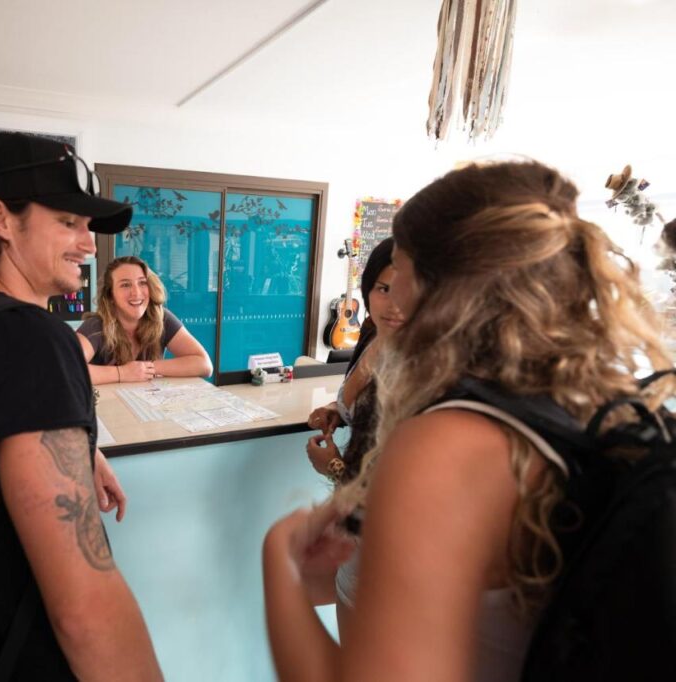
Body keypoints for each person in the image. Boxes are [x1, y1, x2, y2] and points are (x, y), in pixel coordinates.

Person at [263, 160, 674, 681]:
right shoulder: (598, 397)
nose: (392, 293)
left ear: (439, 286)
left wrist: (279, 561)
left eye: (401, 267)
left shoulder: (447, 445)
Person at [0, 132, 163, 681]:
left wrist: (78, 447)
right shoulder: (31, 339)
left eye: (88, 226)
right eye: (68, 222)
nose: (88, 242)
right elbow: (84, 606)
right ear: (1, 219)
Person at [305, 238, 402, 482]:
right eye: (384, 289)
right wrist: (338, 408)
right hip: (347, 509)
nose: (395, 306)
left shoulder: (425, 366)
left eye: (411, 291)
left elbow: (406, 486)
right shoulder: (372, 330)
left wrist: (335, 467)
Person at [76, 255, 213, 384]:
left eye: (142, 283)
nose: (136, 292)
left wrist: (146, 368)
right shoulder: (95, 326)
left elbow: (204, 364)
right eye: (125, 285)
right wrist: (122, 373)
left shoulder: (161, 317)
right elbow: (66, 369)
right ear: (110, 296)